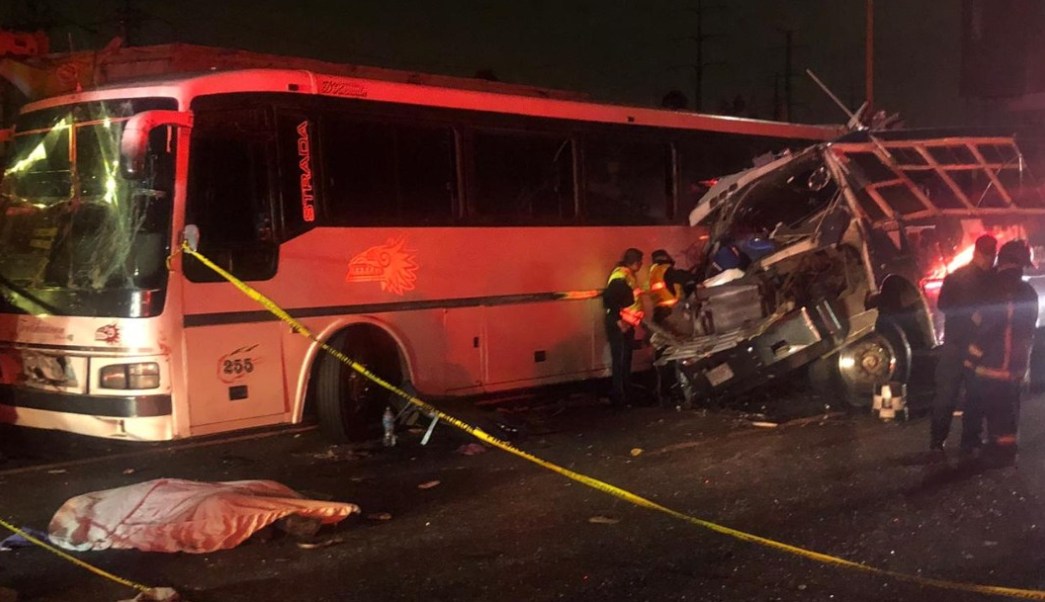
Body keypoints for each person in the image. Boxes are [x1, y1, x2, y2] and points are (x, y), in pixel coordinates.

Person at [963, 240, 1038, 466]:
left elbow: (985, 327)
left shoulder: (992, 289)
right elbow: (1028, 329)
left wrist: (970, 358)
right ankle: (1005, 448)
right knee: (1010, 410)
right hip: (1017, 365)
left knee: (997, 410)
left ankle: (1002, 453)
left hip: (994, 364)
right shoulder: (1028, 292)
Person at [929, 234, 996, 452]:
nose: (989, 261)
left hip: (958, 344)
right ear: (977, 253)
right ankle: (959, 440)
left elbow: (944, 305)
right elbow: (945, 305)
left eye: (991, 256)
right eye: (987, 256)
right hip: (966, 345)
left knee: (958, 394)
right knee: (966, 394)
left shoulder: (956, 276)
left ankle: (942, 441)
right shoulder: (982, 279)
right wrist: (972, 316)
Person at [603, 248, 645, 408]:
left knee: (625, 360)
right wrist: (619, 321)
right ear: (634, 262)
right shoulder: (621, 275)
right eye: (640, 261)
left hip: (625, 324)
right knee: (620, 361)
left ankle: (625, 394)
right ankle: (619, 398)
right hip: (619, 324)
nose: (641, 264)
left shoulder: (627, 275)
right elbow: (609, 300)